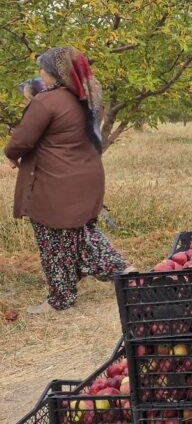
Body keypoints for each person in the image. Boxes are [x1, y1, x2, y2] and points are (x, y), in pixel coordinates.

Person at [4, 47, 133, 314]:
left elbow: (21, 141)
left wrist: (11, 155)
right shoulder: (89, 98)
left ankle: (62, 298)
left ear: (54, 72)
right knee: (81, 233)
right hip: (87, 177)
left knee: (54, 242)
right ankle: (123, 271)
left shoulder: (47, 101)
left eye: (43, 68)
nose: (40, 73)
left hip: (56, 182)